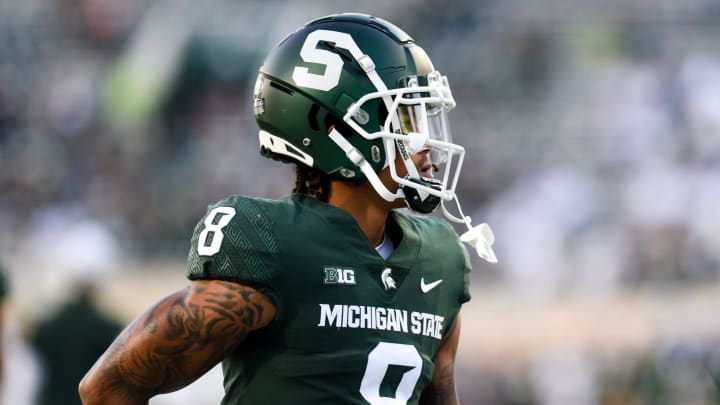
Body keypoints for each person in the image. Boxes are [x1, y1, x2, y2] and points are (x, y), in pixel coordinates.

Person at [79, 12, 496, 405]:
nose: (427, 144)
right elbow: (110, 386)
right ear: (339, 128)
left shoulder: (440, 258)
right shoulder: (268, 242)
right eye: (407, 120)